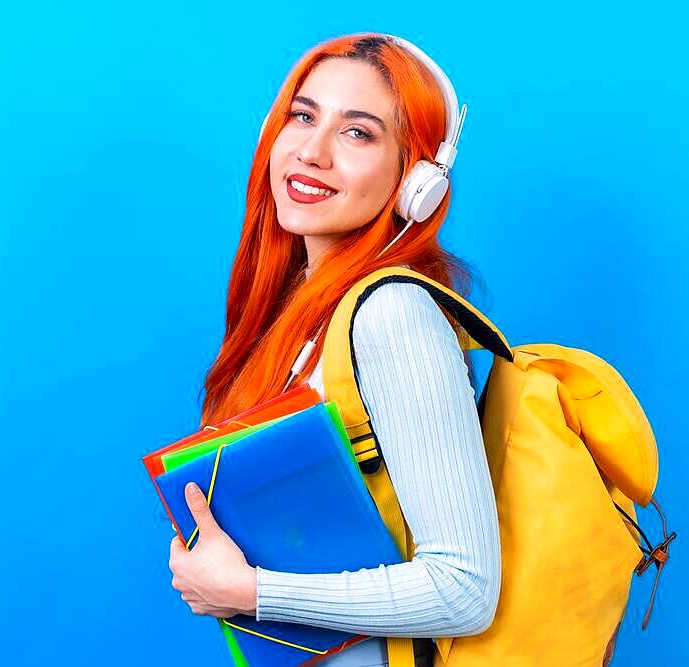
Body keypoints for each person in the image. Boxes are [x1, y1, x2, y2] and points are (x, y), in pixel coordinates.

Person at [167, 33, 501, 667]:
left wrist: (250, 591)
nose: (312, 152)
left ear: (417, 180)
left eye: (358, 133)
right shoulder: (306, 315)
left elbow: (465, 589)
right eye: (303, 116)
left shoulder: (392, 315)